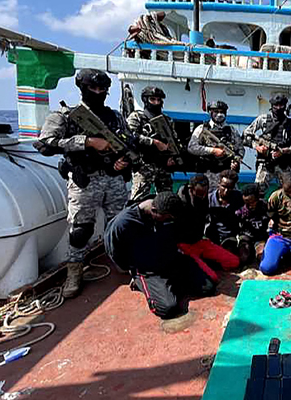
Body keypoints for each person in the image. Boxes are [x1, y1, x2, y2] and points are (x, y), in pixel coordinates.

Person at [35, 68, 145, 298]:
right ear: (82, 88)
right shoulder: (66, 115)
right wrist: (86, 142)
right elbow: (45, 144)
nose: (98, 92)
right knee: (80, 230)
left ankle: (120, 261)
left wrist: (122, 162)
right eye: (93, 88)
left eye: (102, 89)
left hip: (113, 179)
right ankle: (74, 273)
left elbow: (129, 143)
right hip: (85, 180)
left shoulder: (115, 117)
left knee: (117, 224)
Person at [104, 192, 215, 332]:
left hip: (173, 260)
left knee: (208, 288)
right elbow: (114, 251)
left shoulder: (166, 207)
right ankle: (142, 282)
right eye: (167, 218)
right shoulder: (123, 223)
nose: (171, 220)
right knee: (168, 309)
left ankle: (167, 287)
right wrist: (131, 269)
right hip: (150, 271)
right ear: (154, 211)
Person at [177, 174, 240, 280]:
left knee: (234, 262)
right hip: (184, 246)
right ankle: (199, 264)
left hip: (199, 242)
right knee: (212, 278)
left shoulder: (205, 198)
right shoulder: (179, 203)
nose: (203, 196)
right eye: (200, 193)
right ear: (191, 189)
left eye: (205, 193)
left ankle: (204, 262)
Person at [243, 94, 291, 194]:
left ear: (285, 106)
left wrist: (283, 151)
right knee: (258, 192)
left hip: (283, 163)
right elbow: (246, 135)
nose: (278, 108)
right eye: (276, 105)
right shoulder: (263, 119)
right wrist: (257, 147)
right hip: (266, 163)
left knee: (290, 191)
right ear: (272, 105)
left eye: (281, 105)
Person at [127, 86, 177, 201]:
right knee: (138, 200)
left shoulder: (167, 120)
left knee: (166, 200)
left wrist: (172, 157)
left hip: (163, 166)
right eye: (152, 99)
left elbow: (173, 141)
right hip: (144, 165)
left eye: (159, 100)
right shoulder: (137, 117)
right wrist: (153, 142)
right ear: (145, 100)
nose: (156, 103)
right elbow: (130, 136)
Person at [188, 100, 244, 190]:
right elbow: (191, 147)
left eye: (222, 112)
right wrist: (212, 151)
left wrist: (236, 161)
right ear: (210, 113)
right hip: (207, 174)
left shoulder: (231, 130)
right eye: (216, 112)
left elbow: (240, 149)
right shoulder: (202, 129)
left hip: (226, 177)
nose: (219, 114)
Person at [206, 169, 244, 255]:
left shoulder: (239, 198)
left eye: (230, 188)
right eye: (224, 186)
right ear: (218, 184)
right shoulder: (209, 199)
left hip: (230, 238)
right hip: (212, 237)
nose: (226, 191)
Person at [235, 184, 270, 266]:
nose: (249, 206)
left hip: (260, 238)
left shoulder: (265, 207)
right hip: (246, 237)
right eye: (246, 203)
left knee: (262, 257)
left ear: (257, 198)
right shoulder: (240, 210)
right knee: (243, 258)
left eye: (252, 202)